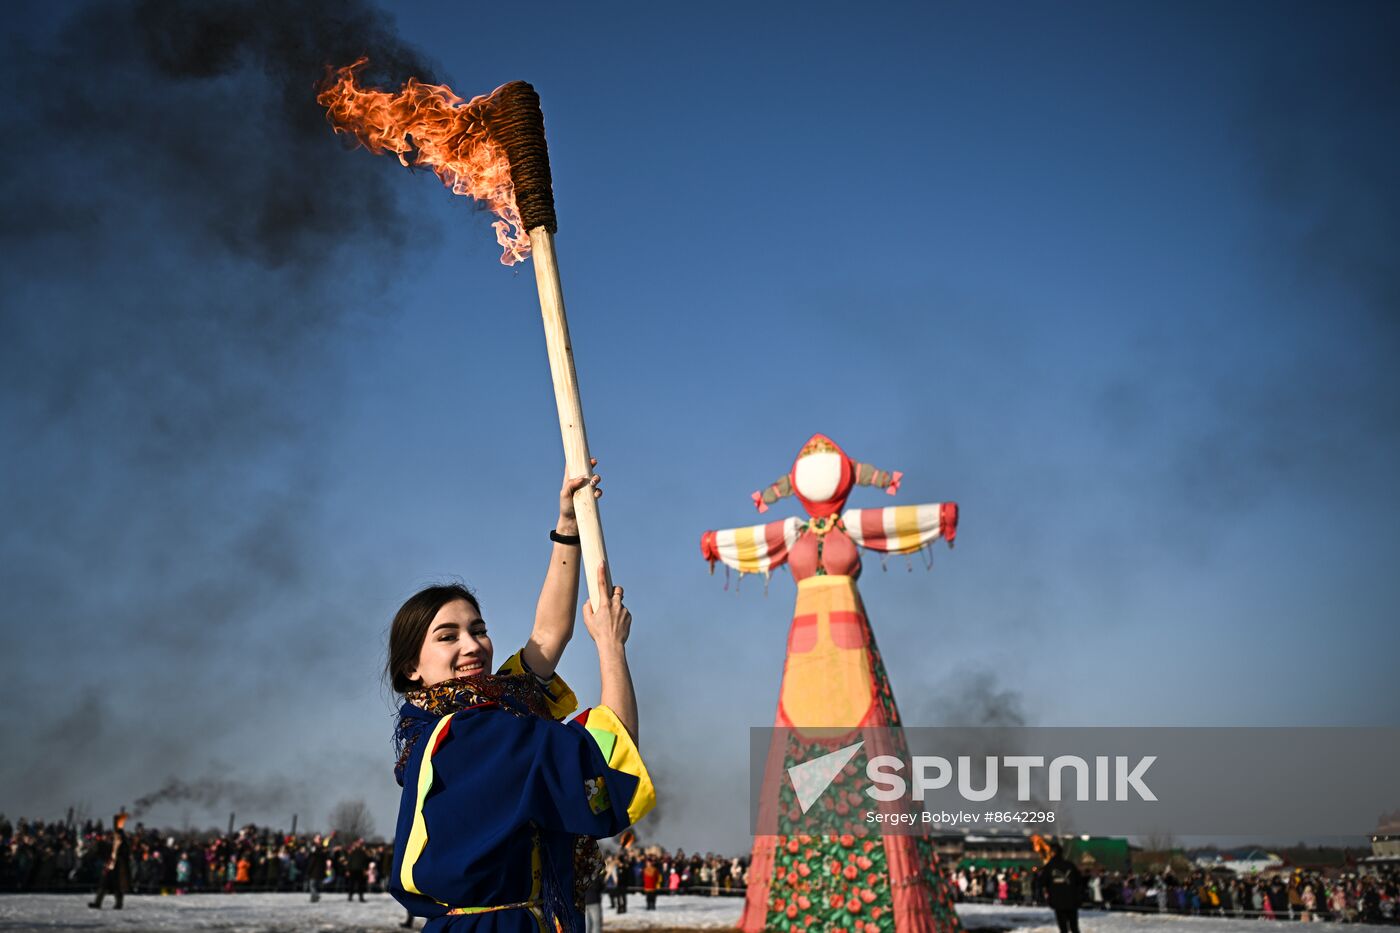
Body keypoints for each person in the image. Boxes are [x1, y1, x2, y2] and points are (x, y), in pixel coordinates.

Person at [386, 467, 655, 932]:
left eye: (479, 630)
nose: (472, 646)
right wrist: (612, 647)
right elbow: (608, 759)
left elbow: (547, 636)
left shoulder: (475, 713)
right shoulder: (473, 734)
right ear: (412, 668)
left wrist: (567, 527)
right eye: (447, 637)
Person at [1036, 841, 1083, 933]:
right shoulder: (1070, 865)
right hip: (1072, 900)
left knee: (1063, 927)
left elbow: (1041, 882)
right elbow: (1079, 881)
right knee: (1074, 927)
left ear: (1052, 853)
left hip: (1057, 901)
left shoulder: (1049, 867)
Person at [88, 813, 130, 910]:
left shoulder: (123, 843)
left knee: (117, 886)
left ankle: (119, 904)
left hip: (118, 867)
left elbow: (124, 853)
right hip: (110, 865)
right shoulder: (110, 843)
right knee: (103, 884)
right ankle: (97, 902)